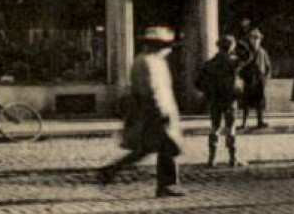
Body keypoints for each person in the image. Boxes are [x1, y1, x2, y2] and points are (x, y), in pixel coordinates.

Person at [100, 26, 184, 198]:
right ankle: (167, 185)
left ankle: (111, 170)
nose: (168, 48)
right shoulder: (146, 62)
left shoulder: (155, 61)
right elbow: (151, 89)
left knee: (149, 147)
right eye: (165, 45)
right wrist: (161, 110)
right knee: (168, 147)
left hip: (159, 109)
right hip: (154, 110)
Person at [195, 36, 243, 168]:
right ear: (231, 47)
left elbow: (198, 83)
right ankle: (233, 158)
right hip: (230, 99)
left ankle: (212, 159)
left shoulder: (210, 63)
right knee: (230, 128)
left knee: (214, 127)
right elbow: (248, 56)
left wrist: (209, 91)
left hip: (215, 99)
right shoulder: (234, 63)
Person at [238, 29, 271, 130]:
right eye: (253, 38)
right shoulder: (246, 52)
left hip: (259, 79)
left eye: (257, 38)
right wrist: (243, 76)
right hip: (249, 79)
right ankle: (243, 122)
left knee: (259, 102)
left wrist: (266, 78)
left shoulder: (262, 52)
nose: (255, 40)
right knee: (246, 102)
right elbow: (241, 65)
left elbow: (268, 66)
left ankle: (260, 121)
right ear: (250, 39)